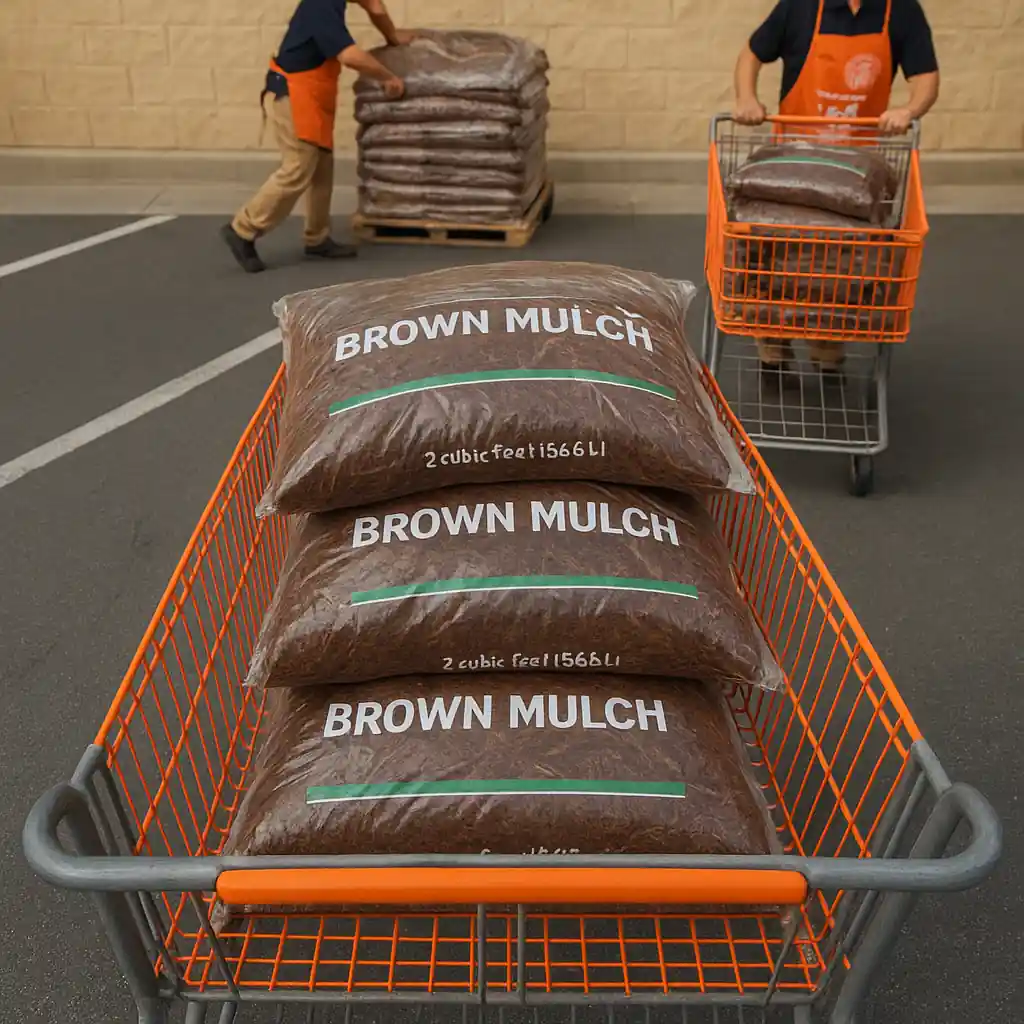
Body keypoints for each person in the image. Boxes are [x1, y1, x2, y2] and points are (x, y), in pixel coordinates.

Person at [731, 0, 939, 383]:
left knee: (839, 261)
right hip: (792, 160)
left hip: (855, 169)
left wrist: (909, 110)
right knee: (777, 253)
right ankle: (772, 342)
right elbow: (752, 54)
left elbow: (925, 77)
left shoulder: (900, 11)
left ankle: (828, 346)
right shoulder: (800, 7)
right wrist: (746, 97)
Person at [221, 0, 415, 274]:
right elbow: (349, 56)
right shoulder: (320, 5)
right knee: (298, 169)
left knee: (322, 169)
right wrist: (387, 77)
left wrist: (392, 36)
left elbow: (375, 6)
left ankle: (317, 238)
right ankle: (242, 229)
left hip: (312, 98)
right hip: (293, 96)